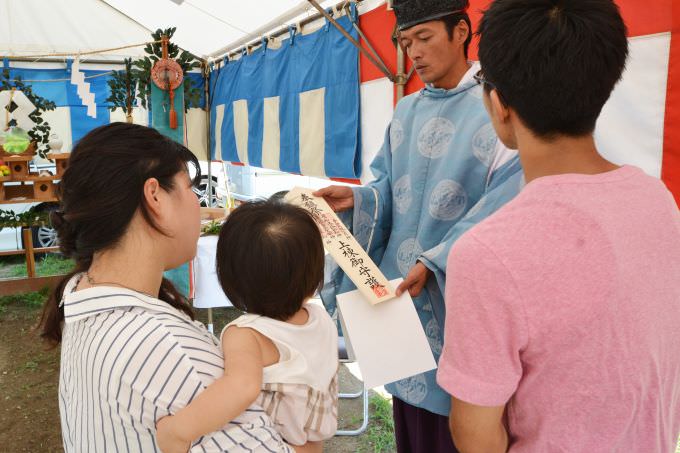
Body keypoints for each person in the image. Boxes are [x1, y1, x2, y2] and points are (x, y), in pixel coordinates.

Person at [437, 1, 680, 452]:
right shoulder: (659, 201)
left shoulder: (486, 252)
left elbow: (475, 436)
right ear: (605, 84)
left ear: (499, 104)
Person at [314, 0, 522, 451]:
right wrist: (360, 197)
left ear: (462, 31)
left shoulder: (501, 105)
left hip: (456, 298)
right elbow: (389, 185)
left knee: (462, 420)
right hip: (398, 293)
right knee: (408, 414)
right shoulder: (406, 110)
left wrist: (438, 259)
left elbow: (508, 202)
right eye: (405, 43)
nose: (414, 54)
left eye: (425, 38)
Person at [39, 123, 303, 452]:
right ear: (155, 197)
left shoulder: (79, 293)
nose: (197, 203)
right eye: (189, 188)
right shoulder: (171, 350)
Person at [155, 200, 338, 453]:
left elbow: (241, 386)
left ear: (230, 276)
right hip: (312, 439)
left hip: (271, 441)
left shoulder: (247, 335)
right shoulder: (319, 318)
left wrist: (178, 430)